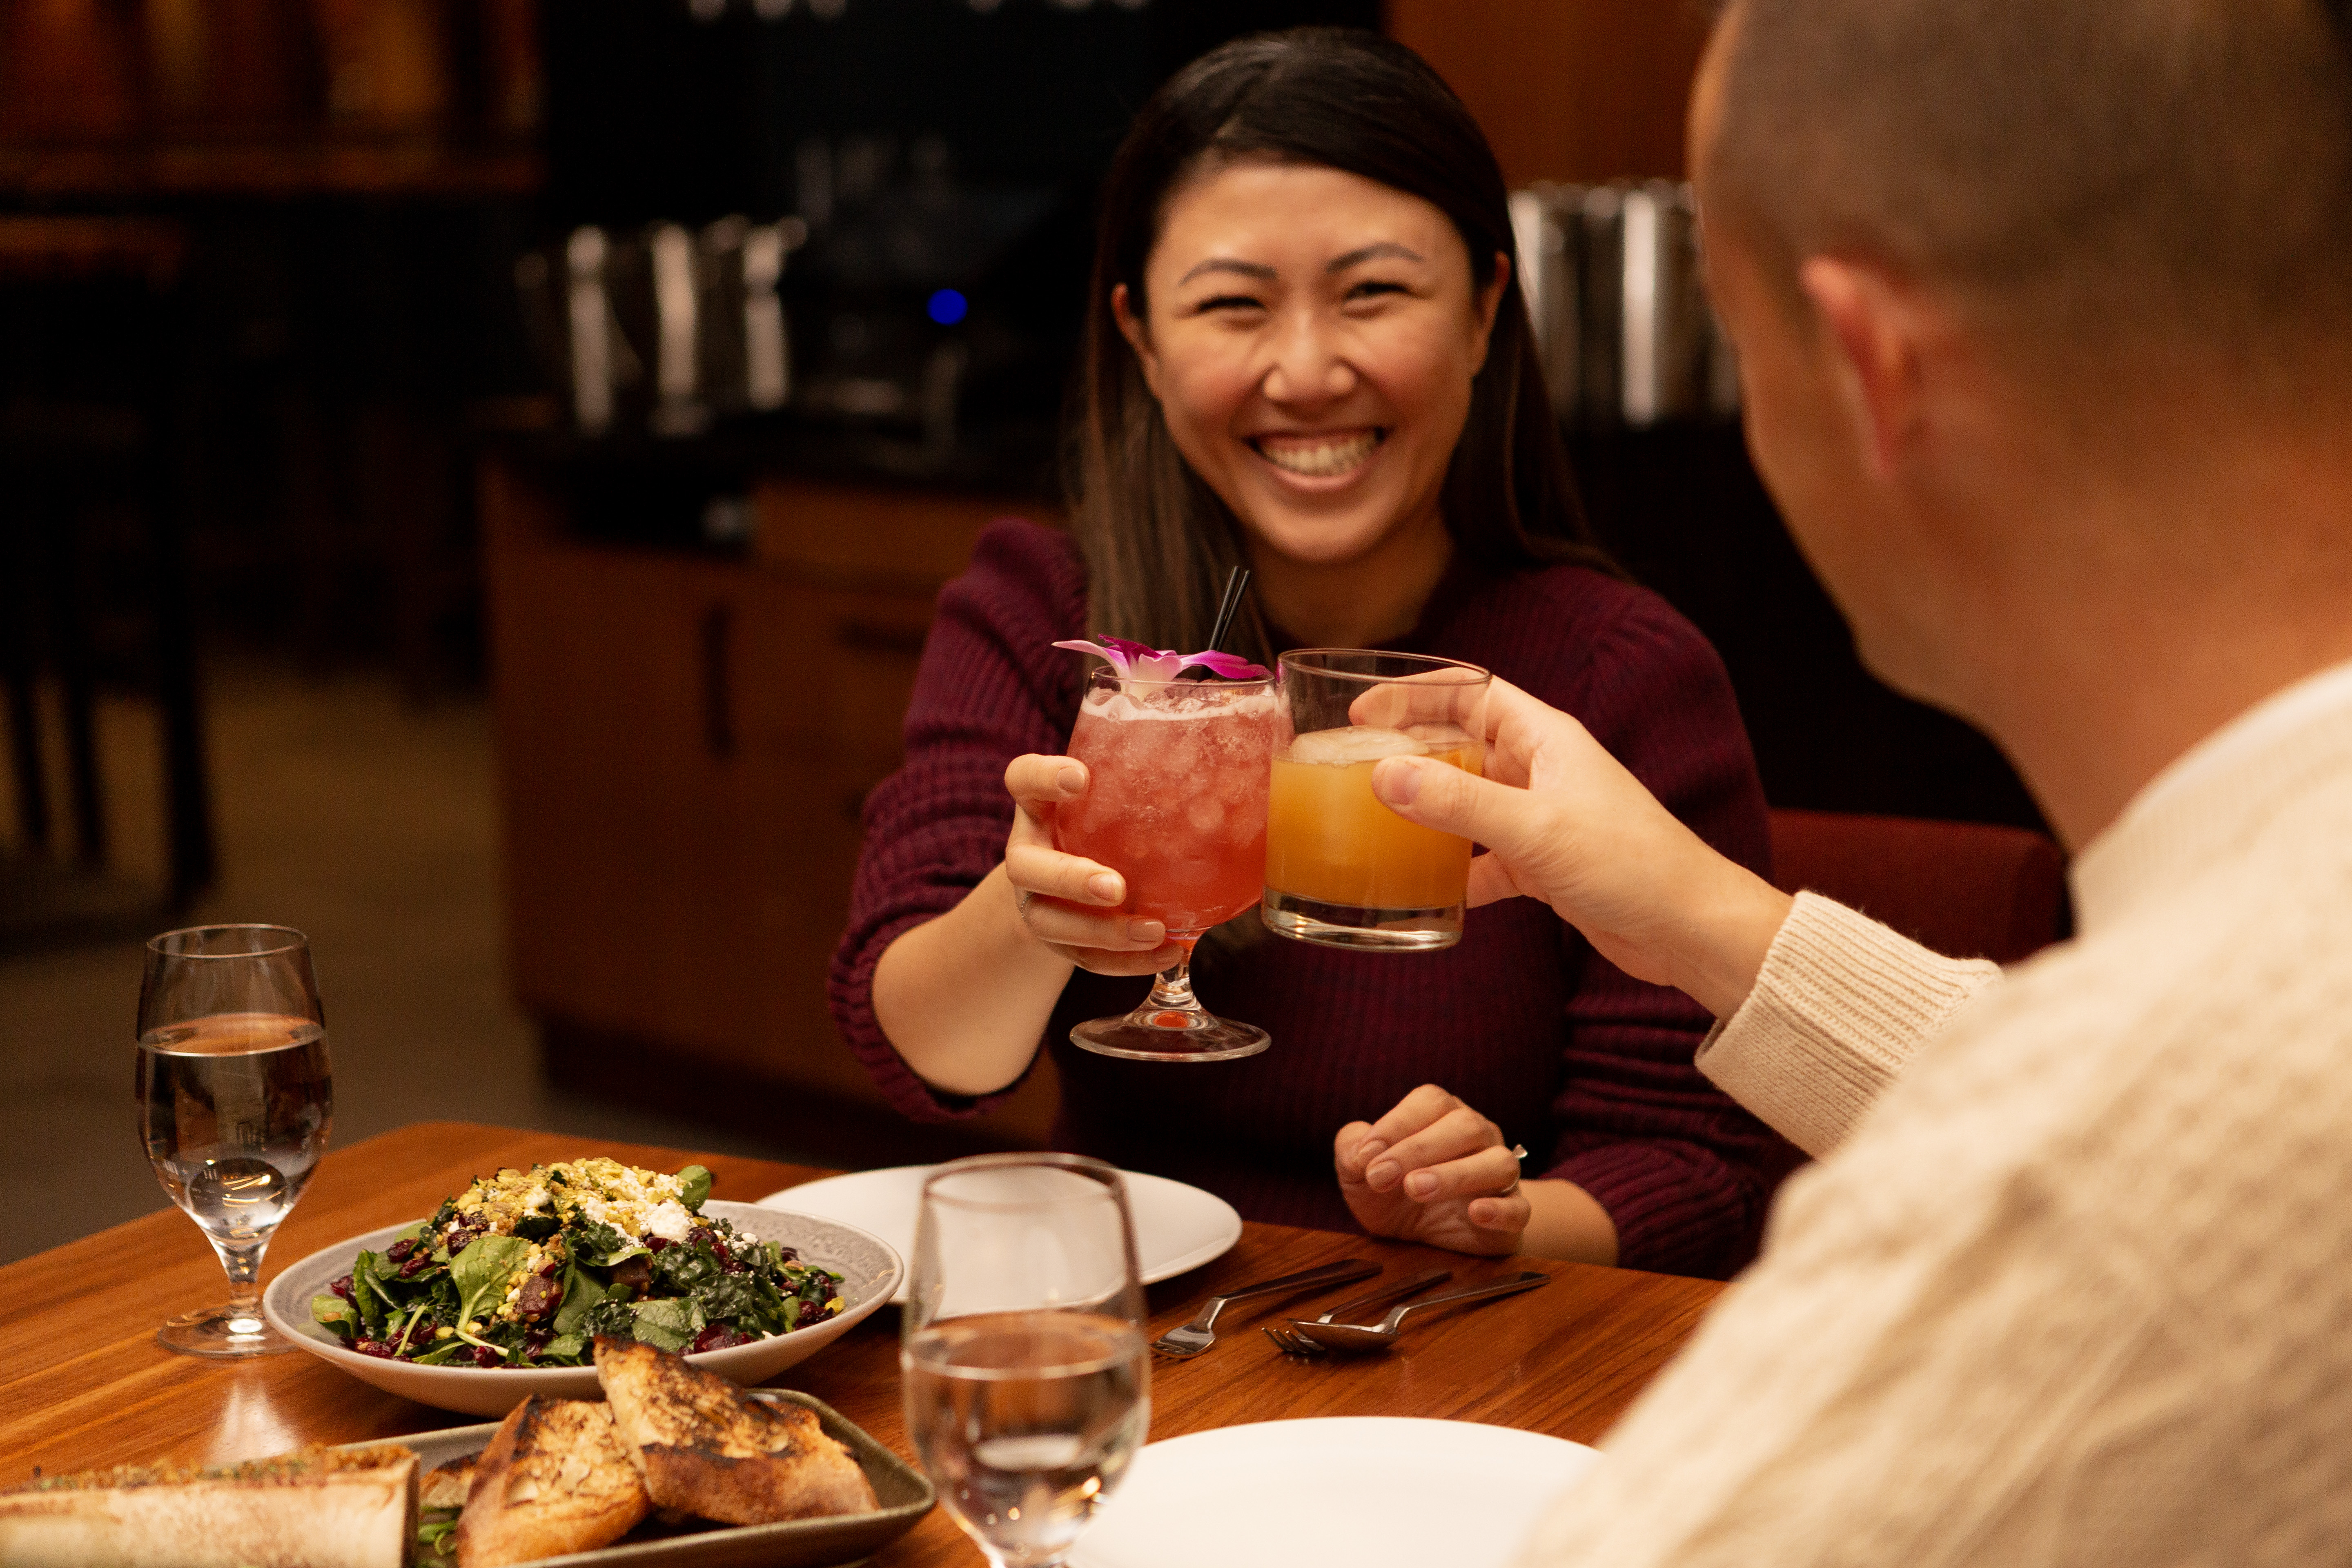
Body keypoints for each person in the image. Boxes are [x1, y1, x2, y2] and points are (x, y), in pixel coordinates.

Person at [1347, 0, 2352, 1559]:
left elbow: (2130, 1139)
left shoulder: (2120, 1171)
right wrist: (1702, 916)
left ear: (1871, 368)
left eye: (1741, 342)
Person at [828, 29, 1793, 1277]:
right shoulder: (1044, 607)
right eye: (1232, 305)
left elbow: (1692, 1166)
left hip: (1462, 1358)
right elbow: (924, 1053)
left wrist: (1485, 1218)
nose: (1306, 370)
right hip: (1138, 1337)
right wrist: (1031, 913)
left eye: (1374, 292)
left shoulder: (1616, 672)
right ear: (1139, 337)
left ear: (1487, 311)